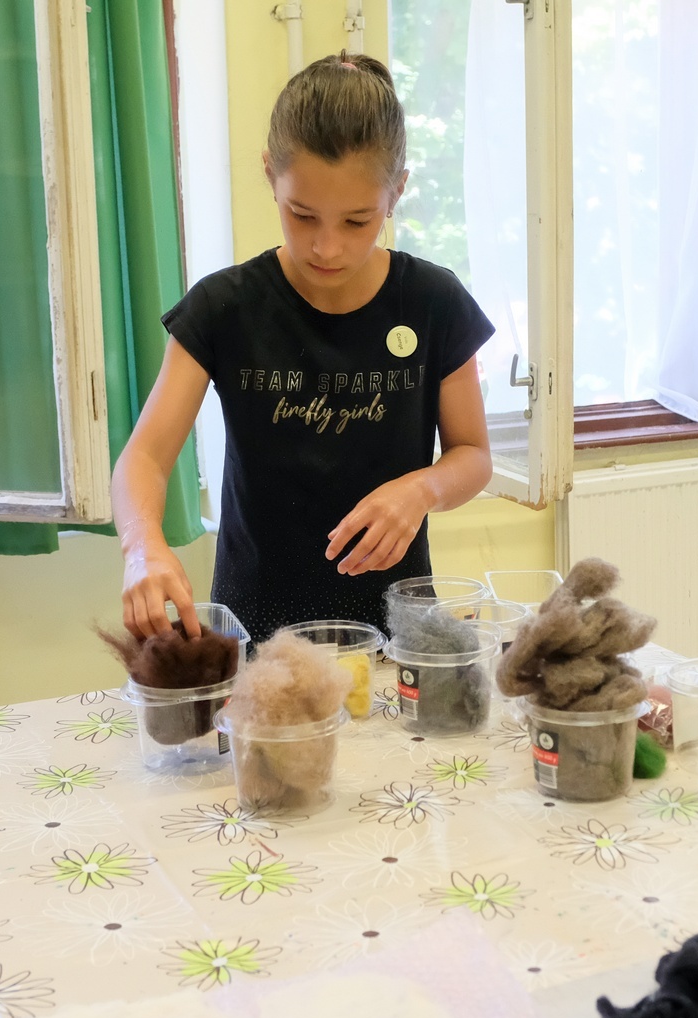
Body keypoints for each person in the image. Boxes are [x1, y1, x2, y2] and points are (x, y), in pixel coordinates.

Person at [113, 52, 494, 643]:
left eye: (357, 222)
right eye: (302, 215)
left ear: (396, 192)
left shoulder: (432, 301)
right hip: (258, 636)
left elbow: (472, 455)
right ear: (271, 174)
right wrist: (143, 547)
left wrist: (422, 489)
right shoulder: (223, 307)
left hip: (396, 632)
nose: (327, 248)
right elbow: (144, 457)